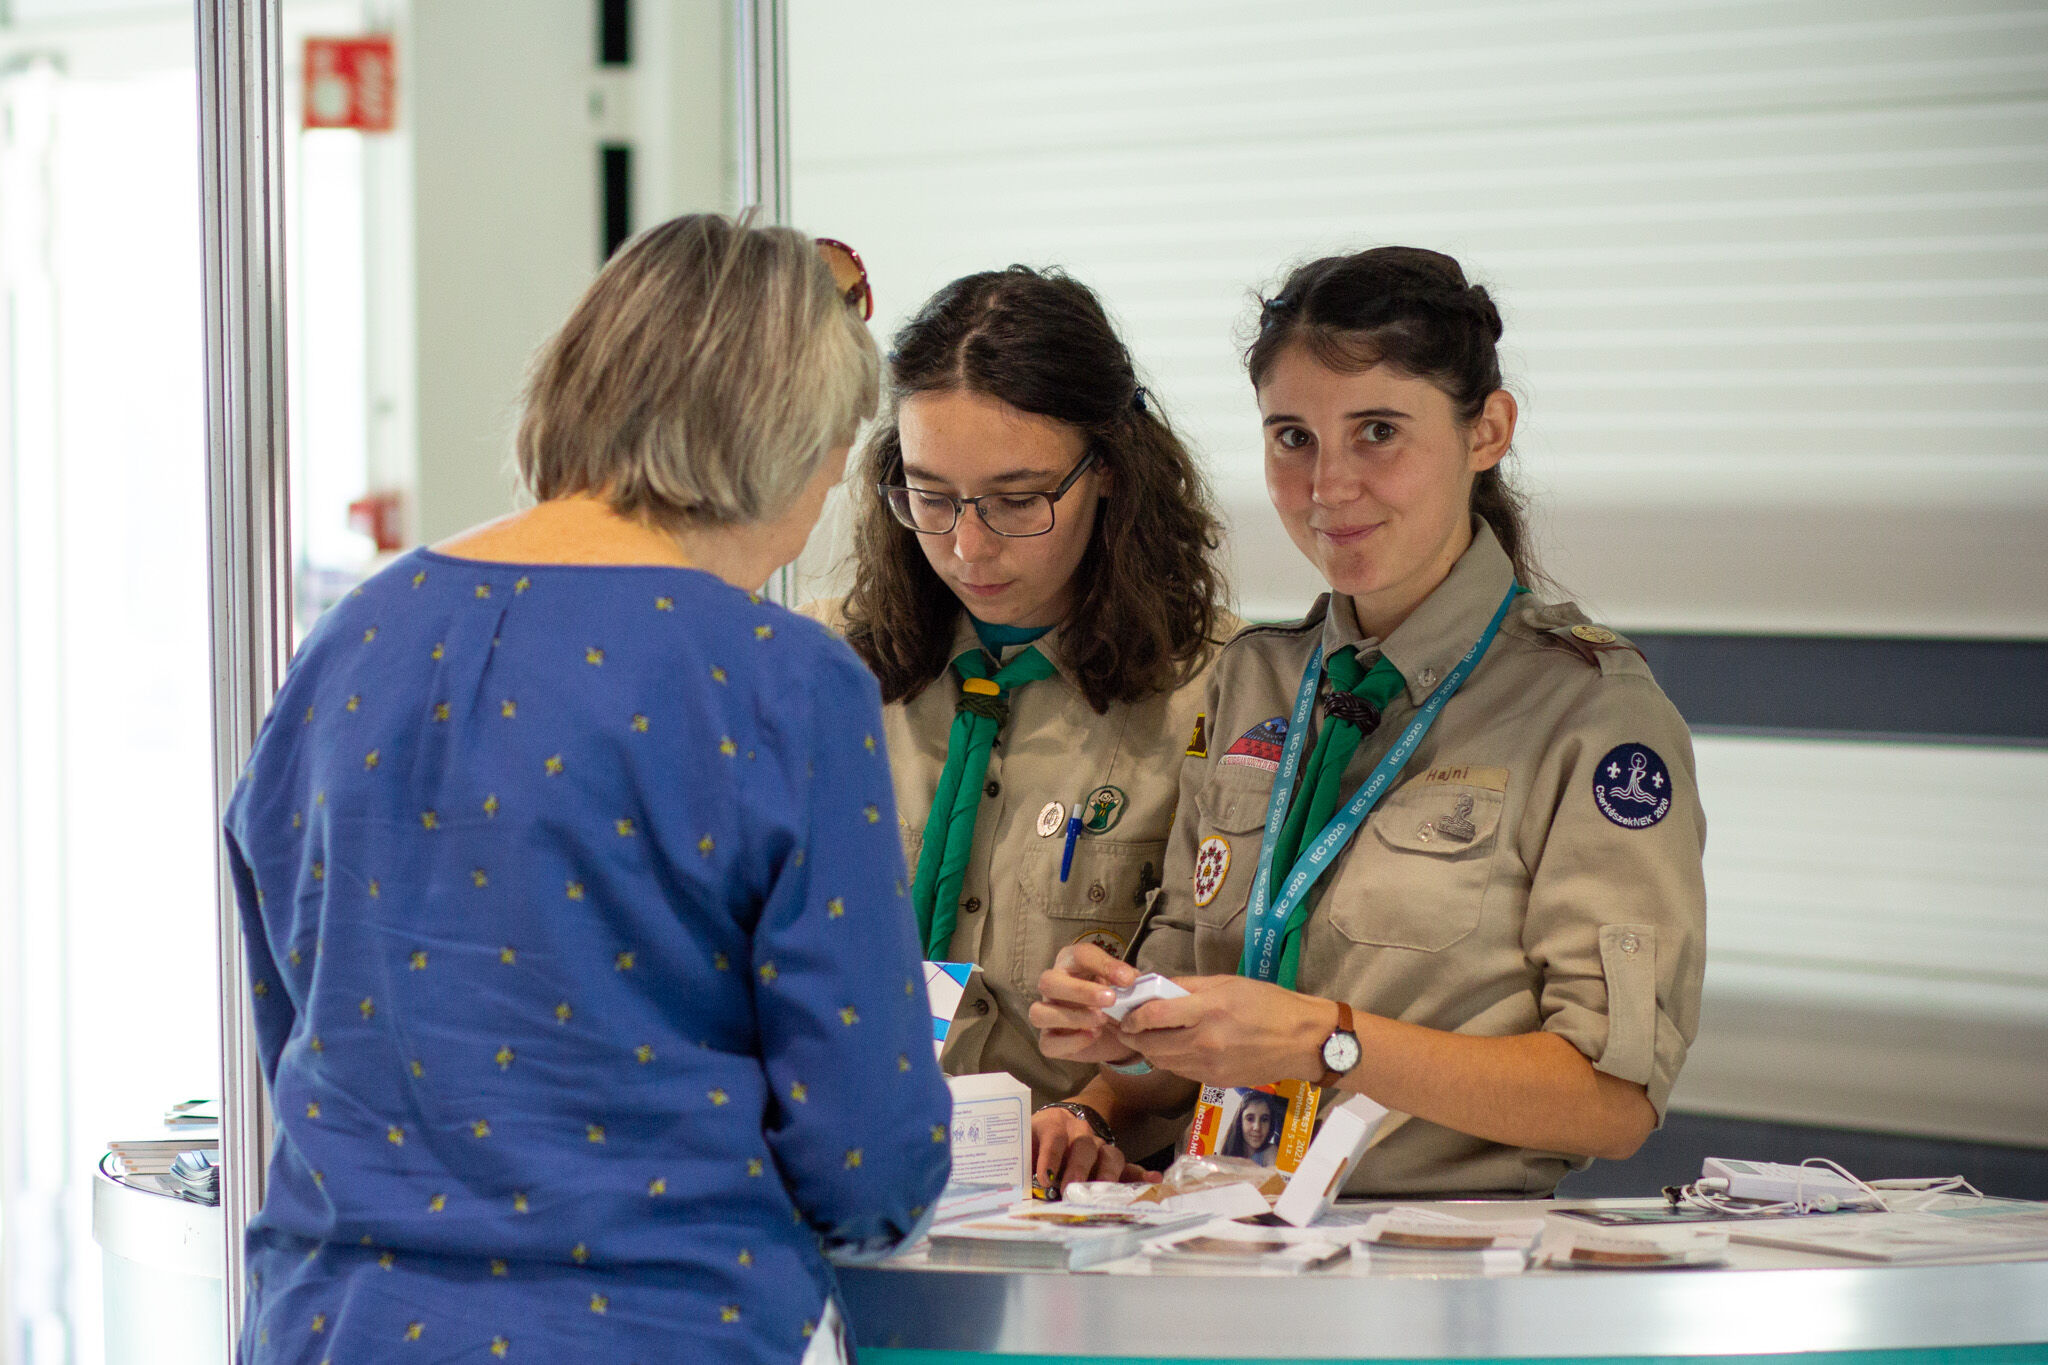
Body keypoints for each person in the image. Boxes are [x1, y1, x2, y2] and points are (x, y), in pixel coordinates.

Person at [225, 216, 950, 1365]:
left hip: (333, 1325)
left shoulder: (349, 643)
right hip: (650, 1327)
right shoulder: (780, 682)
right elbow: (869, 1152)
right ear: (782, 441)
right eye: (835, 453)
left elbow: (297, 1022)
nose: (825, 495)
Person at [1031, 246, 1707, 1197]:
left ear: (1488, 431)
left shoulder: (1590, 711)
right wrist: (1109, 1066)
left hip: (1442, 1257)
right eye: (1292, 437)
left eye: (1378, 431)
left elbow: (1611, 1100)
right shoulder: (1255, 679)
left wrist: (1327, 1041)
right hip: (1215, 1236)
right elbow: (1189, 1034)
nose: (1327, 485)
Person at [805, 267, 1237, 1175]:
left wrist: (1096, 1112)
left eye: (1017, 499)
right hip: (843, 1171)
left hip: (1082, 1202)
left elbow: (1227, 1002)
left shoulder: (1220, 696)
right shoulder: (819, 668)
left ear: (1109, 470)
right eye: (929, 495)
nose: (968, 546)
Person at [1216, 1089, 1286, 1167]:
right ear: (1240, 1121)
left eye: (1264, 1120)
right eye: (1250, 1119)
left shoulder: (1270, 1152)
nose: (1257, 1127)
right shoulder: (1225, 1147)